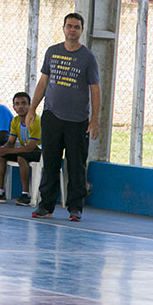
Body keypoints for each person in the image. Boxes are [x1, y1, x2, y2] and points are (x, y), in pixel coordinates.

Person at [26, 12, 100, 222]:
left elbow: (95, 89)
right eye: (69, 26)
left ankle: (75, 207)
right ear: (63, 28)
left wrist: (94, 120)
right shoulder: (52, 52)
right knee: (49, 162)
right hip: (51, 117)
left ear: (81, 31)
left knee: (76, 166)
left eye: (76, 27)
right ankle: (45, 205)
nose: (72, 30)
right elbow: (42, 83)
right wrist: (32, 109)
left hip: (77, 121)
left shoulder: (87, 58)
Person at [0, 92, 41, 205]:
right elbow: (10, 142)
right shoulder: (15, 121)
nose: (20, 107)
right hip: (25, 150)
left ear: (30, 105)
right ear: (14, 107)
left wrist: (7, 150)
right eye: (17, 104)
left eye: (24, 103)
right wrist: (1, 149)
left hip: (38, 152)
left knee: (21, 157)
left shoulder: (35, 120)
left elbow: (30, 147)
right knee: (0, 154)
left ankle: (25, 195)